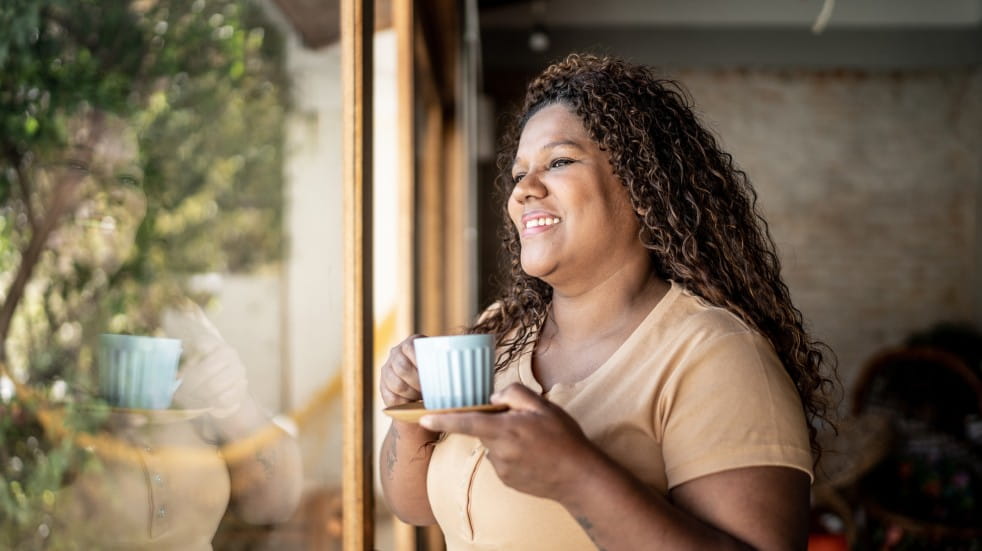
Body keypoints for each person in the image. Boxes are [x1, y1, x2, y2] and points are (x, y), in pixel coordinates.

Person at [379, 53, 836, 551]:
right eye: (518, 174)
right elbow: (417, 507)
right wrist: (412, 418)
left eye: (559, 162)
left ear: (642, 185)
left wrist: (577, 477)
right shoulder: (501, 333)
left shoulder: (718, 357)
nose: (523, 192)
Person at [2, 107, 302, 548]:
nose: (108, 195)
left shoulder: (174, 320)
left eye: (126, 179)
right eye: (80, 167)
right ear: (32, 189)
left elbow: (273, 506)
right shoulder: (15, 340)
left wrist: (237, 410)